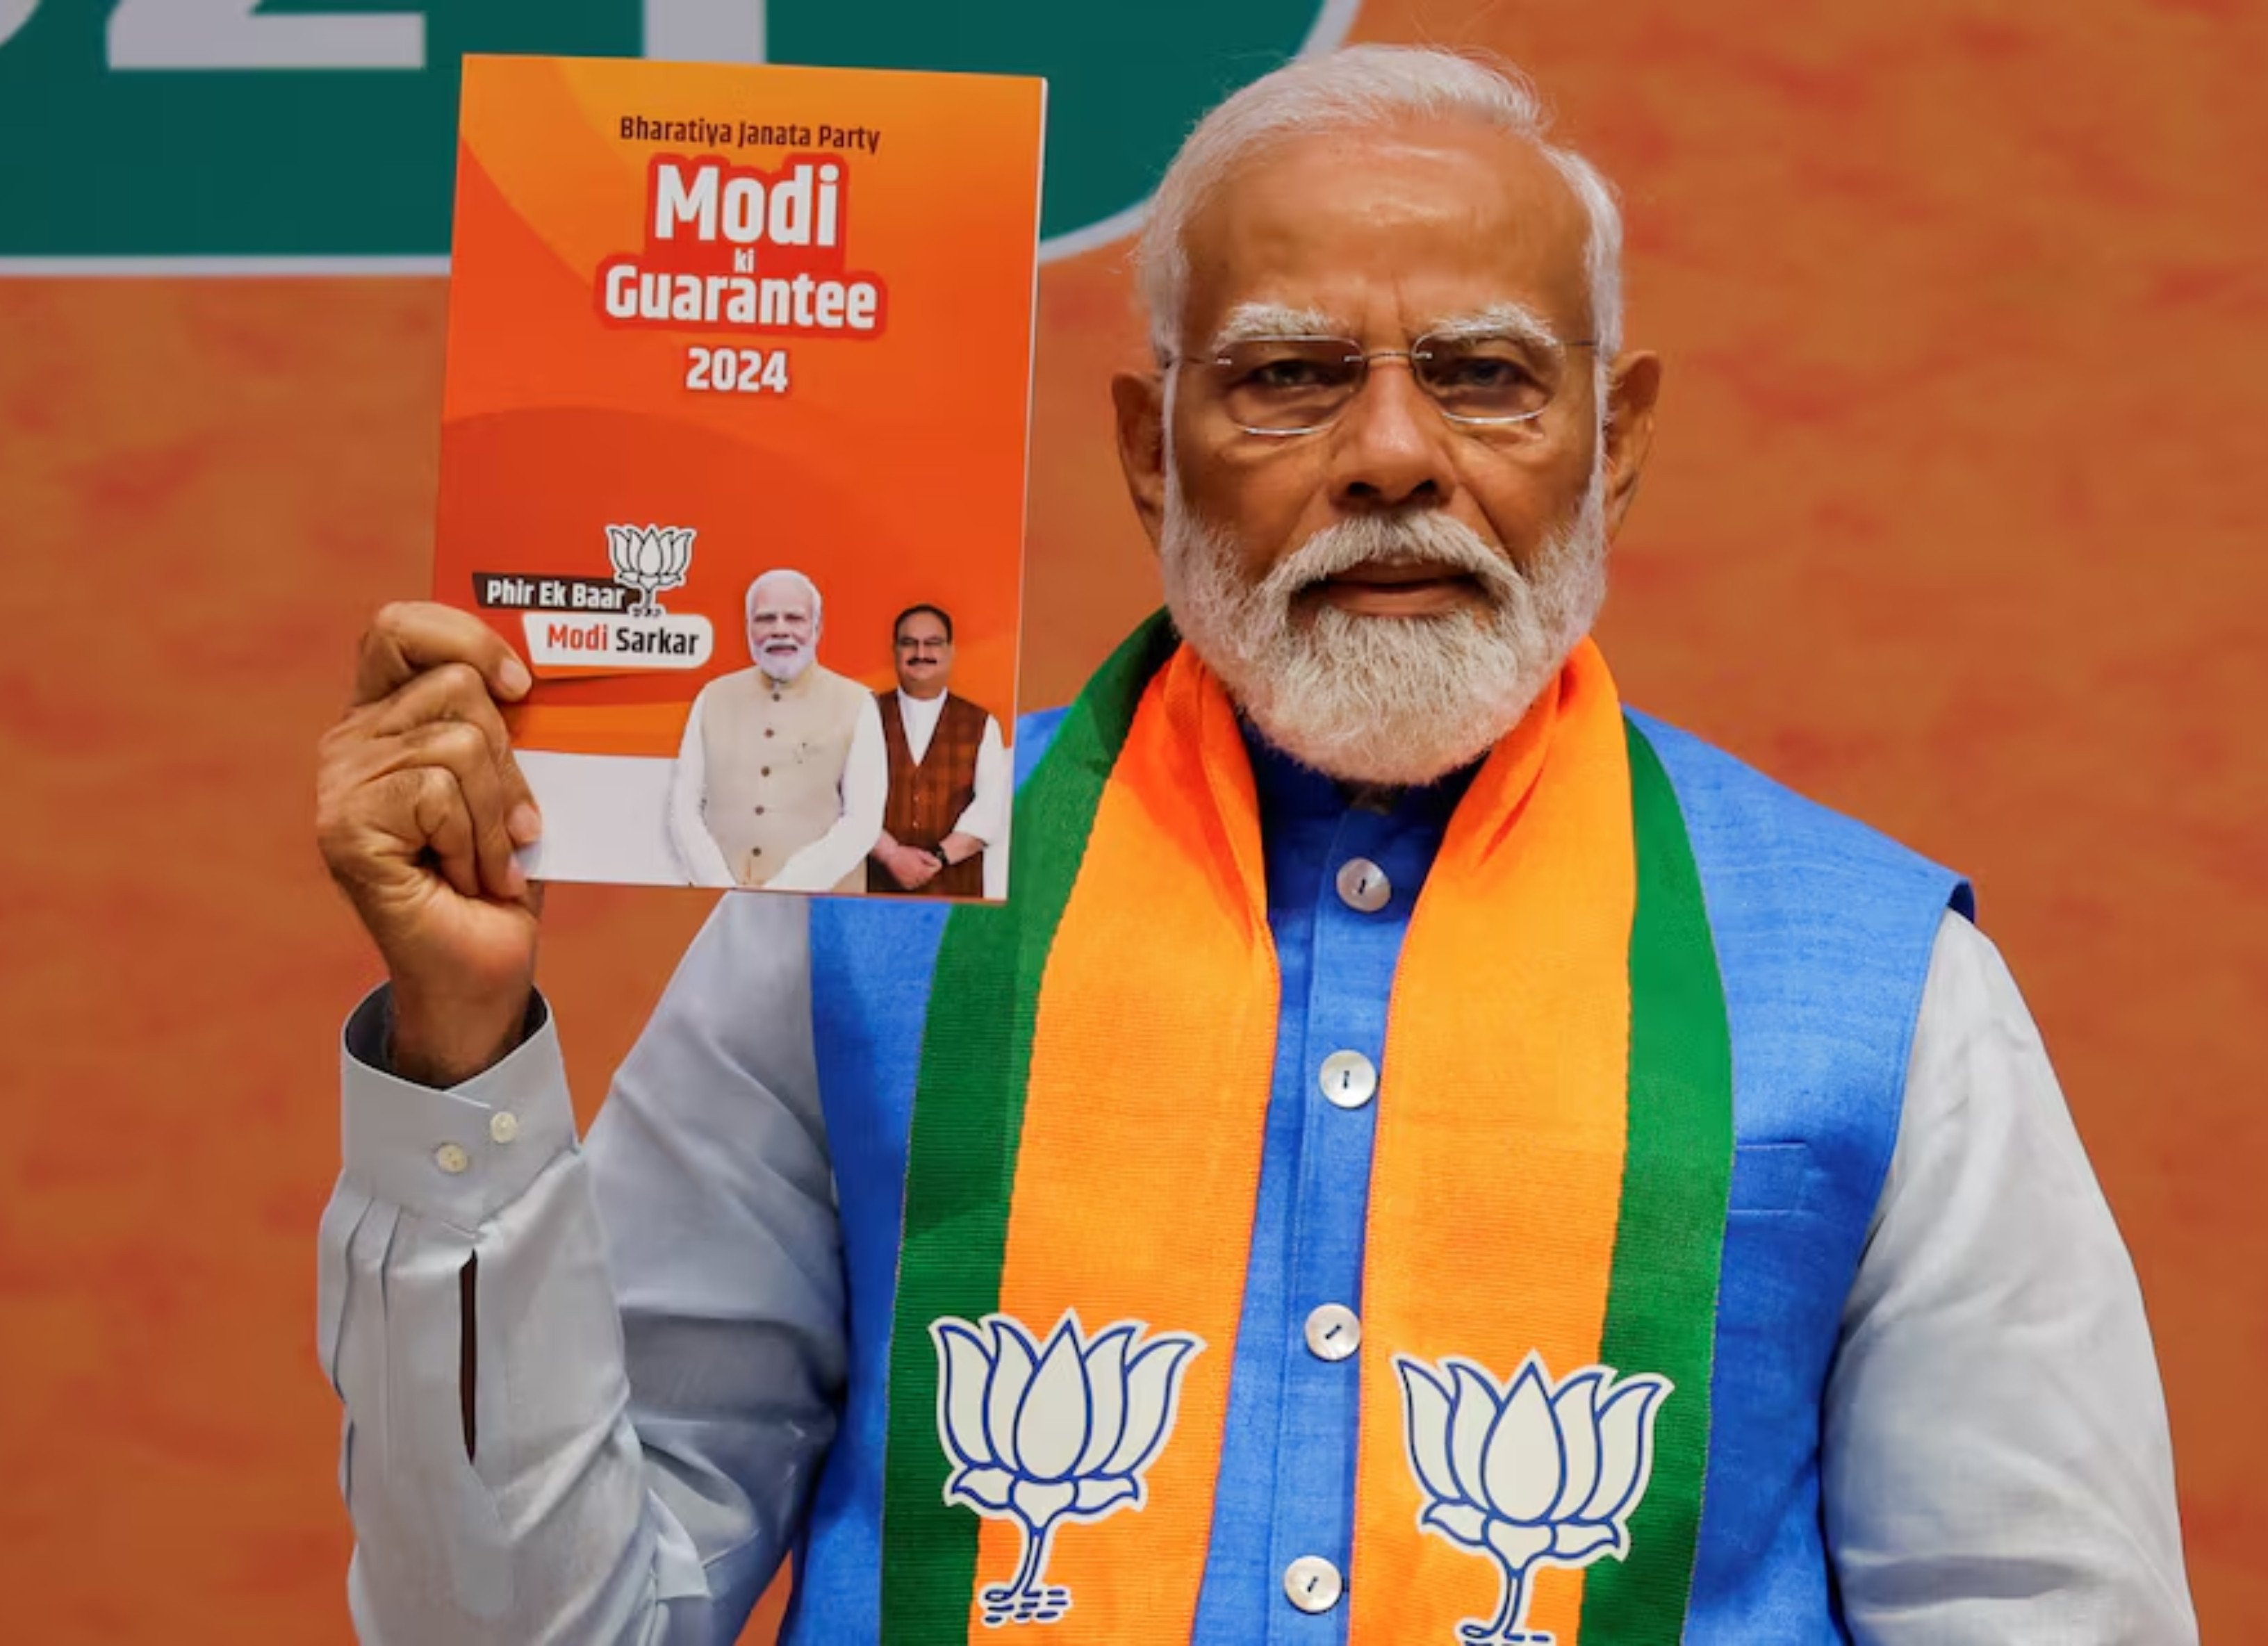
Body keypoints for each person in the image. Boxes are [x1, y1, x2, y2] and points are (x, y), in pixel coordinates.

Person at [311, 46, 2197, 1645]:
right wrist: (461, 1062)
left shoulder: (1890, 991)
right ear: (1152, 446)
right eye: (1290, 377)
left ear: (1614, 439)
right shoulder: (857, 921)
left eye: (1484, 376)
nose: (1391, 454)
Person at [665, 568, 885, 894]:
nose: (780, 630)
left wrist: (785, 889)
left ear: (817, 627)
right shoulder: (713, 697)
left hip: (819, 909)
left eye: (794, 618)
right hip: (720, 907)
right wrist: (720, 887)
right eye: (766, 619)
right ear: (748, 627)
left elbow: (862, 823)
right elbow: (684, 806)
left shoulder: (857, 703)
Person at [866, 602, 1009, 898]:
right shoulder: (863, 717)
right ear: (895, 651)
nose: (921, 653)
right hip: (871, 889)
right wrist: (891, 855)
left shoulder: (981, 724)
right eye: (909, 644)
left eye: (933, 644)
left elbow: (990, 811)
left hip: (955, 896)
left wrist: (936, 860)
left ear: (950, 651)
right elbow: (844, 803)